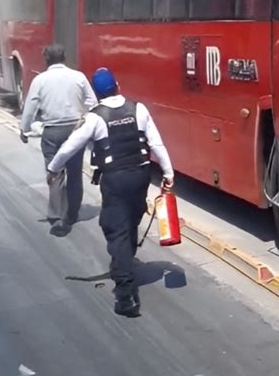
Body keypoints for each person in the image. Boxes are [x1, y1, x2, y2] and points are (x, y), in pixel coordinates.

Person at [46, 67, 174, 318]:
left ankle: (125, 295)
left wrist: (53, 168)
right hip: (141, 176)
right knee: (131, 219)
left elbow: (70, 146)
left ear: (97, 91)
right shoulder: (139, 108)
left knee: (115, 228)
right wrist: (168, 173)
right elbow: (156, 143)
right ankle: (125, 258)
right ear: (117, 85)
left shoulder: (94, 117)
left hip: (115, 179)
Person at [20, 44, 98, 236]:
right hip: (75, 130)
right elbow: (93, 103)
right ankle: (71, 213)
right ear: (64, 58)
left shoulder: (40, 80)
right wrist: (84, 120)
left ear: (46, 60)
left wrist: (24, 129)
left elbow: (30, 107)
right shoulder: (78, 77)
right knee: (74, 173)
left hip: (52, 131)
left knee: (54, 173)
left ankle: (56, 214)